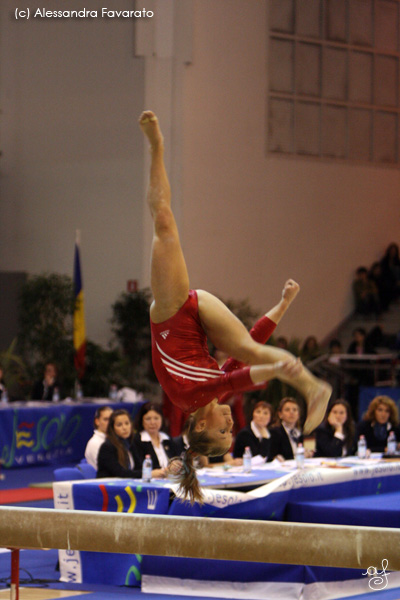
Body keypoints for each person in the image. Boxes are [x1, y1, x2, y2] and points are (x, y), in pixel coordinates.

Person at [139, 110, 331, 502]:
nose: (231, 424)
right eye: (231, 431)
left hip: (173, 312)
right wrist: (282, 305)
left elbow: (235, 379)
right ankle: (312, 385)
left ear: (200, 424)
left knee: (163, 222)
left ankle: (156, 146)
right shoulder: (212, 399)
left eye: (222, 430)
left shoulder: (188, 397)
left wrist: (277, 369)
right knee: (249, 350)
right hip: (200, 316)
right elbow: (244, 353)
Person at [133, 402, 178, 478]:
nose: (152, 422)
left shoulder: (166, 438)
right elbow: (137, 468)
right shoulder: (137, 440)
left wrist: (176, 465)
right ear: (141, 420)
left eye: (156, 418)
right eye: (148, 419)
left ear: (162, 419)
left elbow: (177, 458)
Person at [97, 409, 143, 478]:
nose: (124, 428)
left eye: (127, 423)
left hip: (128, 485)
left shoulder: (131, 444)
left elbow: (139, 468)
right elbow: (121, 473)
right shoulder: (107, 447)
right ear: (112, 428)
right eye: (119, 425)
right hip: (109, 486)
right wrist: (146, 474)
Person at [269, 397, 306, 461]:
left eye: (295, 410)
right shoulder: (274, 432)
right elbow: (272, 456)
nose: (292, 412)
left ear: (298, 414)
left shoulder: (298, 433)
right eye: (287, 410)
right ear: (280, 414)